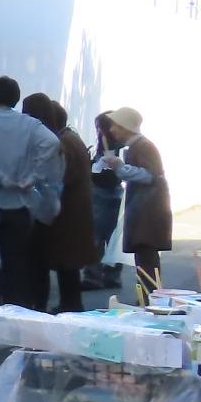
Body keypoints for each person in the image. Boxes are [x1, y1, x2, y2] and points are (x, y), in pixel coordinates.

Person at [0, 75, 63, 309]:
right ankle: (16, 315)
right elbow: (52, 143)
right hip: (19, 203)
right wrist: (33, 174)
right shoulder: (30, 124)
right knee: (17, 266)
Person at [20, 94, 95, 313]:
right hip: (73, 212)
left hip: (66, 213)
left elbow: (58, 177)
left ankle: (69, 306)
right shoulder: (70, 138)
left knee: (64, 263)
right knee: (67, 264)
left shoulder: (62, 143)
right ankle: (69, 304)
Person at [98, 107, 172, 300]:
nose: (112, 130)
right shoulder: (137, 146)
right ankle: (148, 299)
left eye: (115, 125)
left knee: (146, 257)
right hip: (144, 208)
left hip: (148, 210)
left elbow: (149, 176)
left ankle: (149, 300)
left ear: (125, 126)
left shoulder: (143, 146)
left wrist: (120, 167)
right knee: (144, 257)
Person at [83, 113, 125, 291]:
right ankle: (111, 276)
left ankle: (93, 276)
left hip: (101, 193)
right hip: (115, 193)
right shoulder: (120, 145)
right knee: (112, 237)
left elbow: (101, 173)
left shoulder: (109, 147)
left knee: (96, 237)